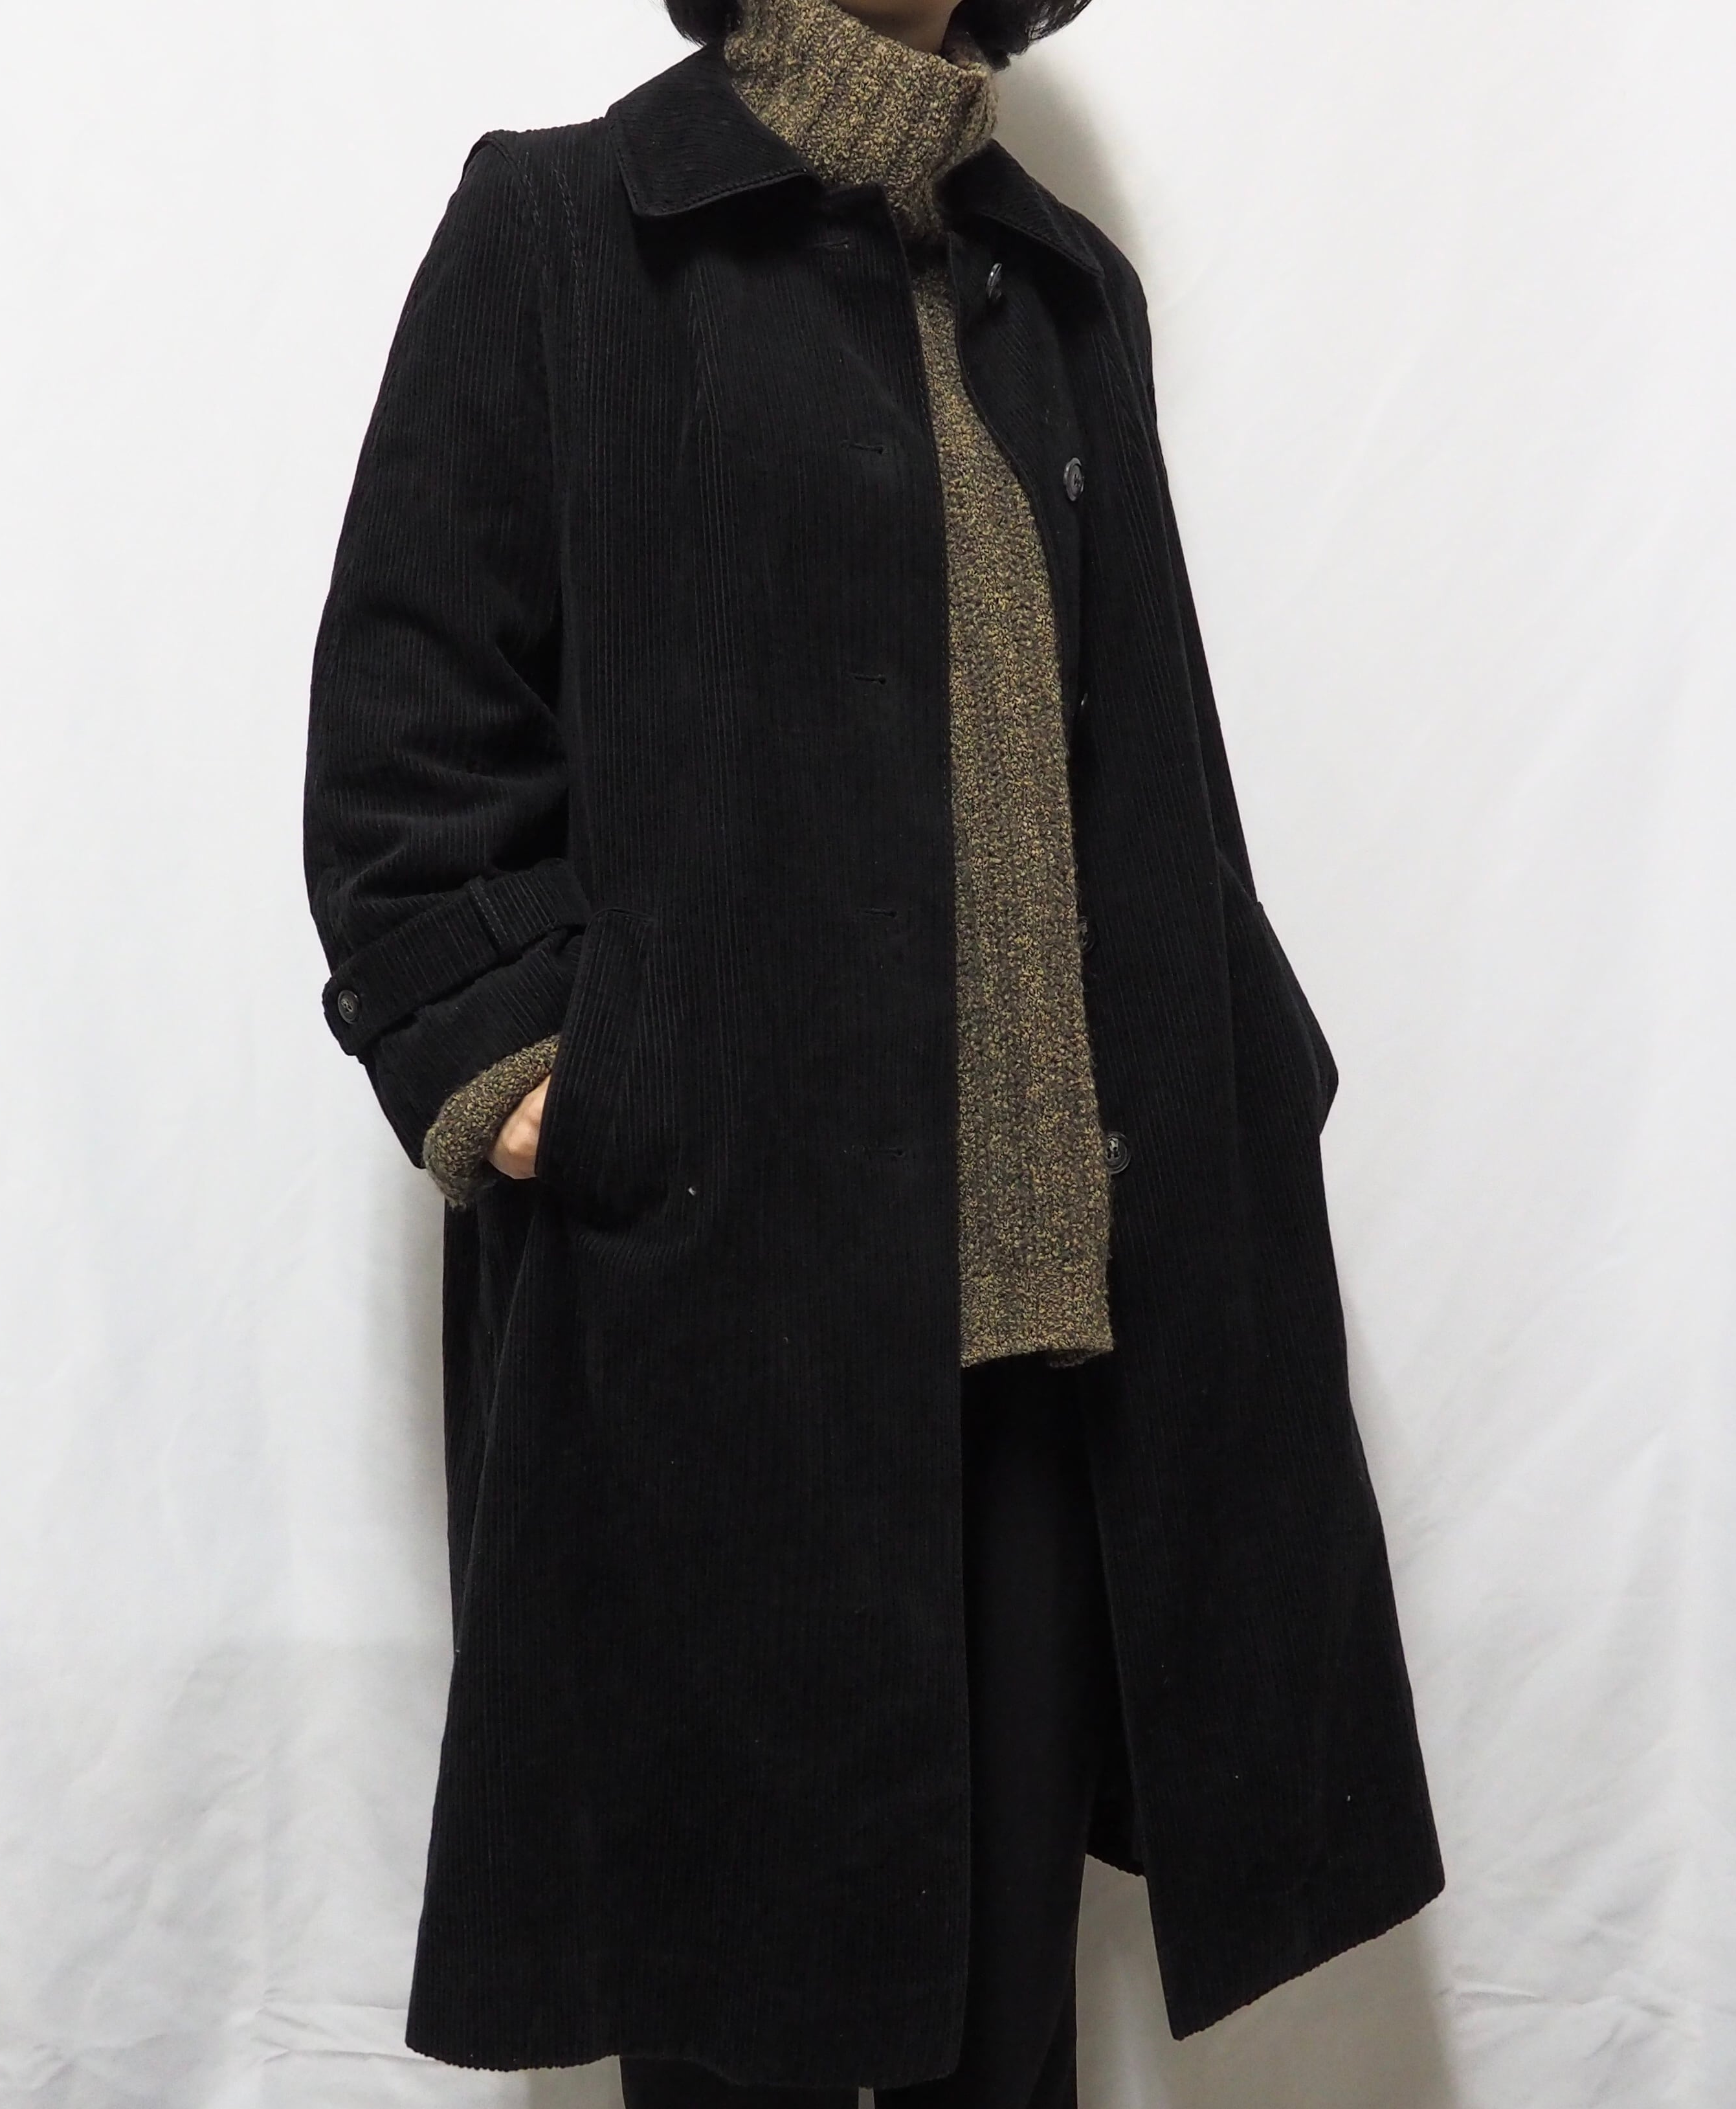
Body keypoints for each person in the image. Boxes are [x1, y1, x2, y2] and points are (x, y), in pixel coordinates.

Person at [301, 0, 1445, 2102]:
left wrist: (1251, 1077)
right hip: (716, 1316)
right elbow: (408, 731)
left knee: (1001, 2033)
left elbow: (1157, 783)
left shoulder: (1059, 293)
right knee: (731, 2016)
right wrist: (534, 1067)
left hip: (1043, 1329)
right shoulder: (563, 232)